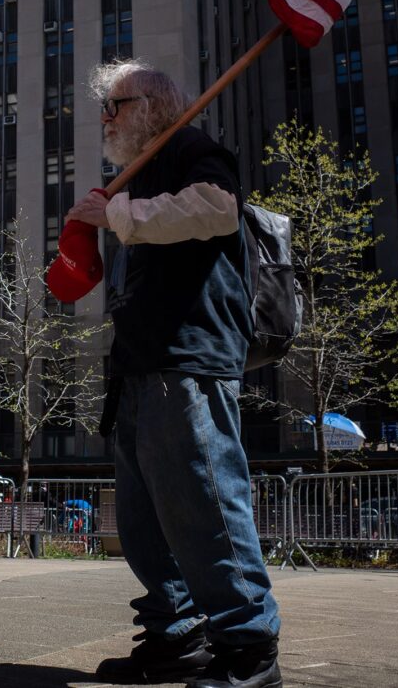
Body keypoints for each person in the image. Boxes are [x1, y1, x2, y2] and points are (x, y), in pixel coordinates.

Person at [64, 60, 282, 688]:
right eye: (104, 107)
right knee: (143, 519)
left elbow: (217, 209)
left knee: (204, 502)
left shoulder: (194, 147)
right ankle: (176, 632)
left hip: (189, 358)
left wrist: (117, 216)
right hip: (141, 365)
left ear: (154, 105)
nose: (105, 119)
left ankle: (248, 645)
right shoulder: (142, 170)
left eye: (116, 105)